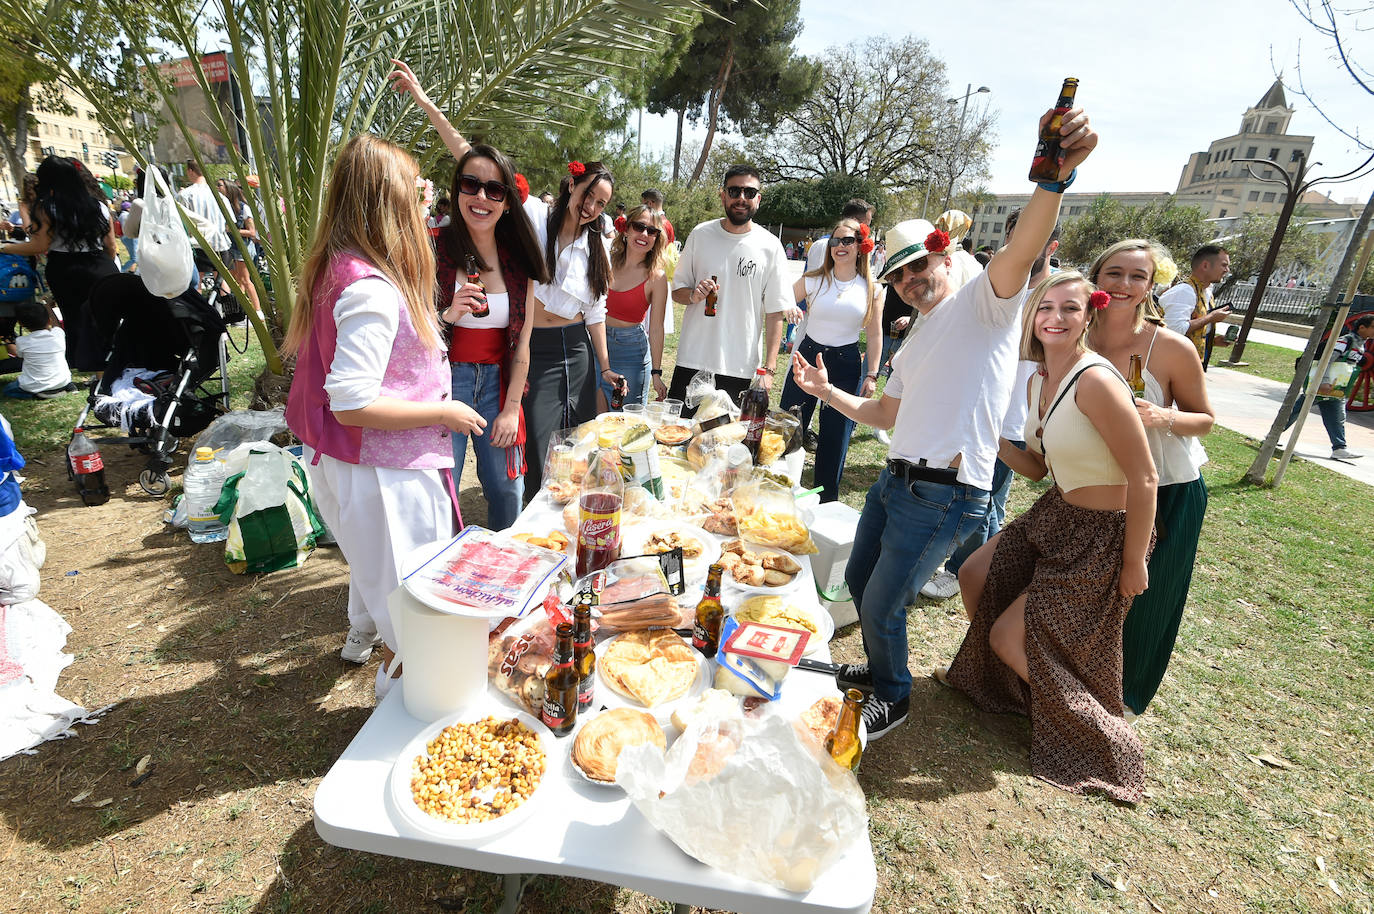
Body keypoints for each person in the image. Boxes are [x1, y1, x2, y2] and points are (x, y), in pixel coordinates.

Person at [787, 102, 1099, 739]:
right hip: (896, 481)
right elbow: (884, 411)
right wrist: (824, 391)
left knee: (881, 602)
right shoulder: (919, 334)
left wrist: (1052, 180)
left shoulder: (986, 301)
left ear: (945, 254)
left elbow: (1026, 244)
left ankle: (893, 696)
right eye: (897, 277)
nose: (909, 282)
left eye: (918, 267)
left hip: (944, 491)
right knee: (855, 577)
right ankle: (877, 670)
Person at [942, 271, 1157, 804]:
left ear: (1090, 315)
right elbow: (1037, 468)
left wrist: (1133, 562)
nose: (1054, 319)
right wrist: (989, 439)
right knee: (972, 573)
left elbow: (1144, 477)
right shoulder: (1042, 379)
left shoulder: (1096, 381)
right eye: (1045, 308)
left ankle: (1100, 730)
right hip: (1056, 511)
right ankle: (1018, 689)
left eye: (1070, 309)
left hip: (1104, 532)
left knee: (1010, 638)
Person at [283, 133, 485, 694]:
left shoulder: (342, 266)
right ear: (388, 203)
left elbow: (382, 356)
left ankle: (364, 635)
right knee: (411, 607)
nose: (427, 208)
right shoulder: (370, 287)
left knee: (378, 574)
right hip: (383, 471)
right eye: (417, 196)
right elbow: (351, 401)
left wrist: (439, 317)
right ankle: (399, 699)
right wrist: (441, 413)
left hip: (356, 464)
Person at [387, 58, 623, 496]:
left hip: (576, 347)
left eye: (601, 202)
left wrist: (606, 366)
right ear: (573, 185)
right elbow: (474, 164)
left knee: (575, 437)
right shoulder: (534, 217)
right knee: (533, 442)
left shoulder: (599, 246)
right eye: (588, 193)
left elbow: (597, 312)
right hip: (531, 346)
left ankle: (563, 512)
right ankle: (533, 512)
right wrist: (424, 102)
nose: (592, 206)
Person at [1077, 238, 1216, 717]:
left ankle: (1122, 699)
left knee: (1146, 596)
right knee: (1088, 588)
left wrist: (1162, 416)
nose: (1124, 284)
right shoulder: (1076, 333)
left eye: (1138, 276)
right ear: (1097, 276)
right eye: (1114, 272)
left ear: (1152, 285)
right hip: (1103, 485)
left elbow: (1205, 419)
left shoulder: (1170, 347)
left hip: (1172, 489)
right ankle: (1066, 681)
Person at [923, 213, 1060, 601]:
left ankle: (958, 571)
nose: (1019, 249)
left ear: (1050, 246)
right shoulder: (997, 283)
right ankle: (987, 570)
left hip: (1018, 420)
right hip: (987, 409)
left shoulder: (1056, 296)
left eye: (1029, 240)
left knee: (983, 498)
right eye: (1014, 239)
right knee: (991, 503)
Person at [434, 144, 550, 530]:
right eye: (471, 184)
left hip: (498, 386)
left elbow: (523, 346)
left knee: (506, 489)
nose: (481, 197)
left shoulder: (519, 262)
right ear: (457, 191)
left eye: (494, 190)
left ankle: (504, 569)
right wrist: (447, 314)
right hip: (443, 383)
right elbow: (411, 330)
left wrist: (512, 408)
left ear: (506, 202)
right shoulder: (433, 249)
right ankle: (439, 572)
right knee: (439, 488)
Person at [668, 165, 794, 408]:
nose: (741, 198)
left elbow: (775, 311)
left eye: (749, 192)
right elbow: (677, 290)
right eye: (734, 191)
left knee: (727, 441)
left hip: (739, 365)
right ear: (723, 194)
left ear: (758, 198)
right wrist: (694, 296)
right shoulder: (700, 234)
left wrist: (769, 368)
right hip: (692, 359)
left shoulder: (770, 246)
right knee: (678, 437)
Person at [779, 218, 882, 501]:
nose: (840, 246)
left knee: (835, 439)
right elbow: (781, 299)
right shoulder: (813, 279)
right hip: (809, 358)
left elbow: (874, 335)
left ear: (861, 246)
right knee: (789, 427)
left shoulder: (872, 289)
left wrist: (872, 374)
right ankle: (779, 490)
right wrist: (789, 306)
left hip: (846, 364)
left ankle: (825, 501)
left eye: (847, 240)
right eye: (835, 240)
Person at [0, 156, 118, 371]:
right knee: (105, 317)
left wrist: (4, 247)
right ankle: (113, 361)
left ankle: (92, 367)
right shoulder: (99, 205)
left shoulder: (46, 208)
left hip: (66, 268)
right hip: (100, 264)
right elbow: (111, 246)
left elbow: (39, 245)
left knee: (76, 319)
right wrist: (105, 265)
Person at [604, 205, 670, 407]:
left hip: (631, 352)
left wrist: (657, 373)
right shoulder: (606, 260)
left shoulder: (656, 277)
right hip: (596, 346)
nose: (644, 234)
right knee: (594, 418)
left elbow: (657, 328)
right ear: (626, 229)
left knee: (625, 420)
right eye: (639, 227)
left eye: (652, 231)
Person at [1285, 314, 1373, 460]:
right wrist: (1324, 381)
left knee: (1337, 417)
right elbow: (1326, 361)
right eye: (1373, 327)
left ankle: (1339, 448)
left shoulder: (1361, 345)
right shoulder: (1345, 342)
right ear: (1362, 327)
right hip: (1323, 385)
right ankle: (1272, 436)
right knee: (1298, 410)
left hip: (1336, 388)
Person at [1159, 244, 1230, 369]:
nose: (1227, 270)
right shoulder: (1185, 291)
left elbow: (1193, 333)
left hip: (1190, 366)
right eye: (1224, 265)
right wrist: (1210, 318)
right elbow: (1174, 331)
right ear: (1205, 265)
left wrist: (1212, 341)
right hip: (1172, 366)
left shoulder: (1206, 292)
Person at [1, 303, 74, 398]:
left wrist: (7, 342)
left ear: (21, 324)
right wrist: (48, 306)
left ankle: (36, 395)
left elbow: (17, 354)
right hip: (63, 381)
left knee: (8, 390)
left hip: (35, 385)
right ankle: (63, 388)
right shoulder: (58, 334)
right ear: (49, 320)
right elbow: (57, 325)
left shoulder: (22, 341)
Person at [177, 159, 232, 274]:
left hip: (198, 244)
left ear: (190, 171)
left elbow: (180, 221)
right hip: (220, 242)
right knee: (223, 280)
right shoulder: (219, 195)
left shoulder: (185, 195)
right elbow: (230, 221)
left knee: (198, 281)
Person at [224, 182, 264, 320]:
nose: (218, 188)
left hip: (244, 248)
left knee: (245, 280)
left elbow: (252, 232)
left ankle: (258, 311)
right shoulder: (226, 207)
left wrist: (233, 230)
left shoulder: (243, 208)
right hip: (232, 247)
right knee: (238, 280)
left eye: (220, 185)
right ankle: (241, 311)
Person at [806, 198, 873, 272]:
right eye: (866, 225)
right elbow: (814, 280)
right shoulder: (823, 245)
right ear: (854, 221)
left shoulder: (854, 248)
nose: (868, 230)